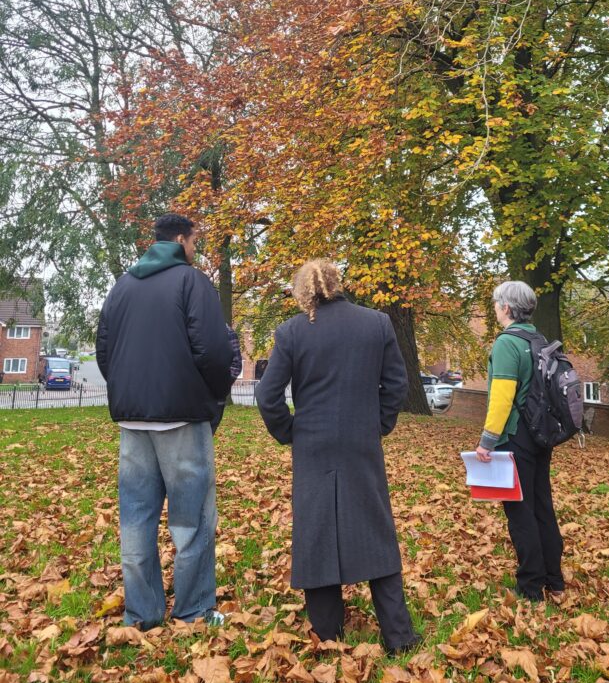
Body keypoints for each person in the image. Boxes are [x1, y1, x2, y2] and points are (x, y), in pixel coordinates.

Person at [255, 259, 421, 654]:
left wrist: (289, 431)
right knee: (375, 526)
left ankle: (327, 632)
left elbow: (267, 394)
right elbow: (397, 384)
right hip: (360, 441)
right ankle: (398, 636)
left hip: (312, 444)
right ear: (337, 283)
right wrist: (378, 424)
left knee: (316, 531)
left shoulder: (292, 331)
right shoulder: (376, 323)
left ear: (304, 292)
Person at [96, 213, 235, 629]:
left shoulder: (122, 286)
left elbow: (105, 349)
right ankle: (193, 611)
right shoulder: (192, 283)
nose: (197, 249)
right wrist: (213, 397)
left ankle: (142, 615)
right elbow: (213, 350)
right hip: (182, 419)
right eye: (195, 241)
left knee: (135, 520)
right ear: (179, 240)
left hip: (133, 421)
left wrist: (129, 391)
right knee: (191, 520)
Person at [475, 280, 565, 603]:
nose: (496, 308)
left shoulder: (506, 344)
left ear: (507, 308)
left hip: (515, 437)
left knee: (519, 512)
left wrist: (487, 441)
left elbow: (501, 397)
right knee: (542, 506)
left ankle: (530, 586)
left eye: (498, 303)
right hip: (541, 436)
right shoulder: (538, 339)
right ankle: (554, 580)